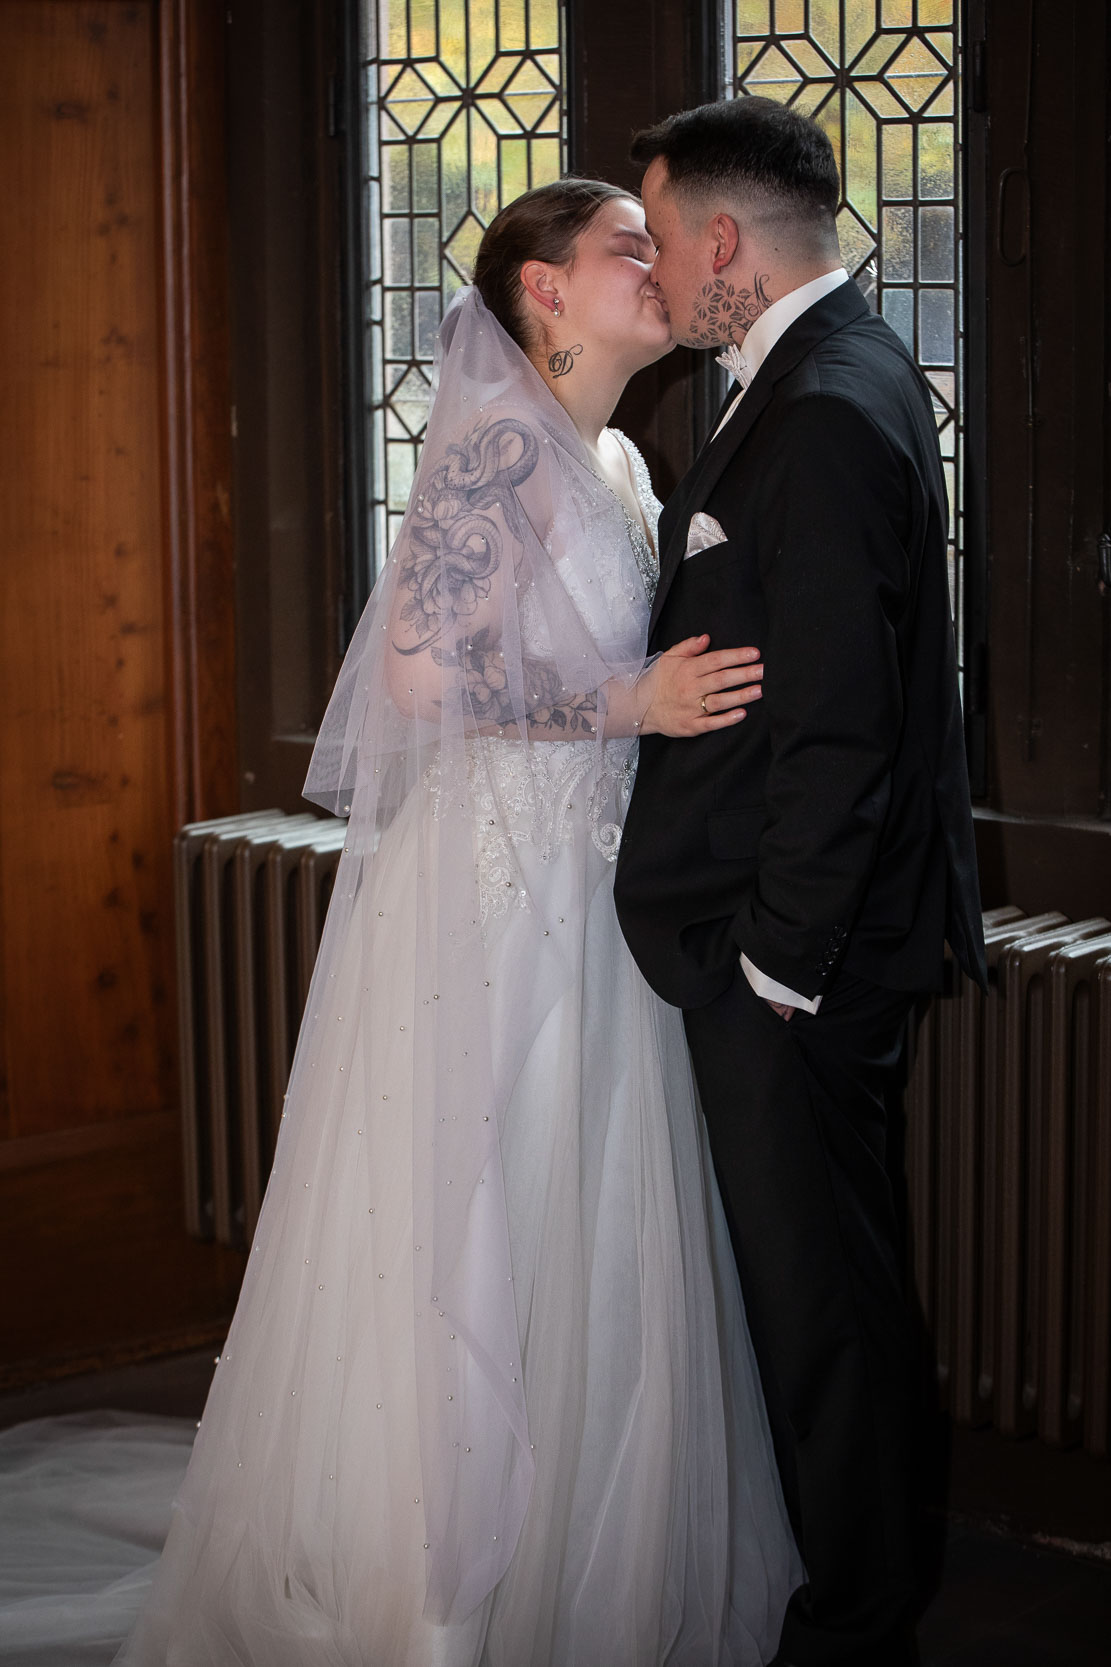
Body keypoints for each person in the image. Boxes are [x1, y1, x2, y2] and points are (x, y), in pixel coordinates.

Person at [103, 180, 803, 1666]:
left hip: (601, 893)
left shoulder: (617, 456)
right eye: (626, 246)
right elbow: (417, 683)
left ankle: (575, 1579)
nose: (657, 264)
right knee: (492, 1220)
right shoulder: (497, 446)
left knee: (590, 1229)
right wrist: (628, 702)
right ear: (544, 291)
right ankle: (440, 1611)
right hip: (497, 898)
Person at [613, 99, 987, 1667]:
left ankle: (856, 1626)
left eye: (657, 235)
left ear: (724, 242)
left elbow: (838, 728)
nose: (653, 267)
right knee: (831, 1292)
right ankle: (860, 1591)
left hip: (796, 966)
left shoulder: (826, 405)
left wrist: (776, 962)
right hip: (807, 950)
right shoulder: (847, 369)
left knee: (824, 1311)